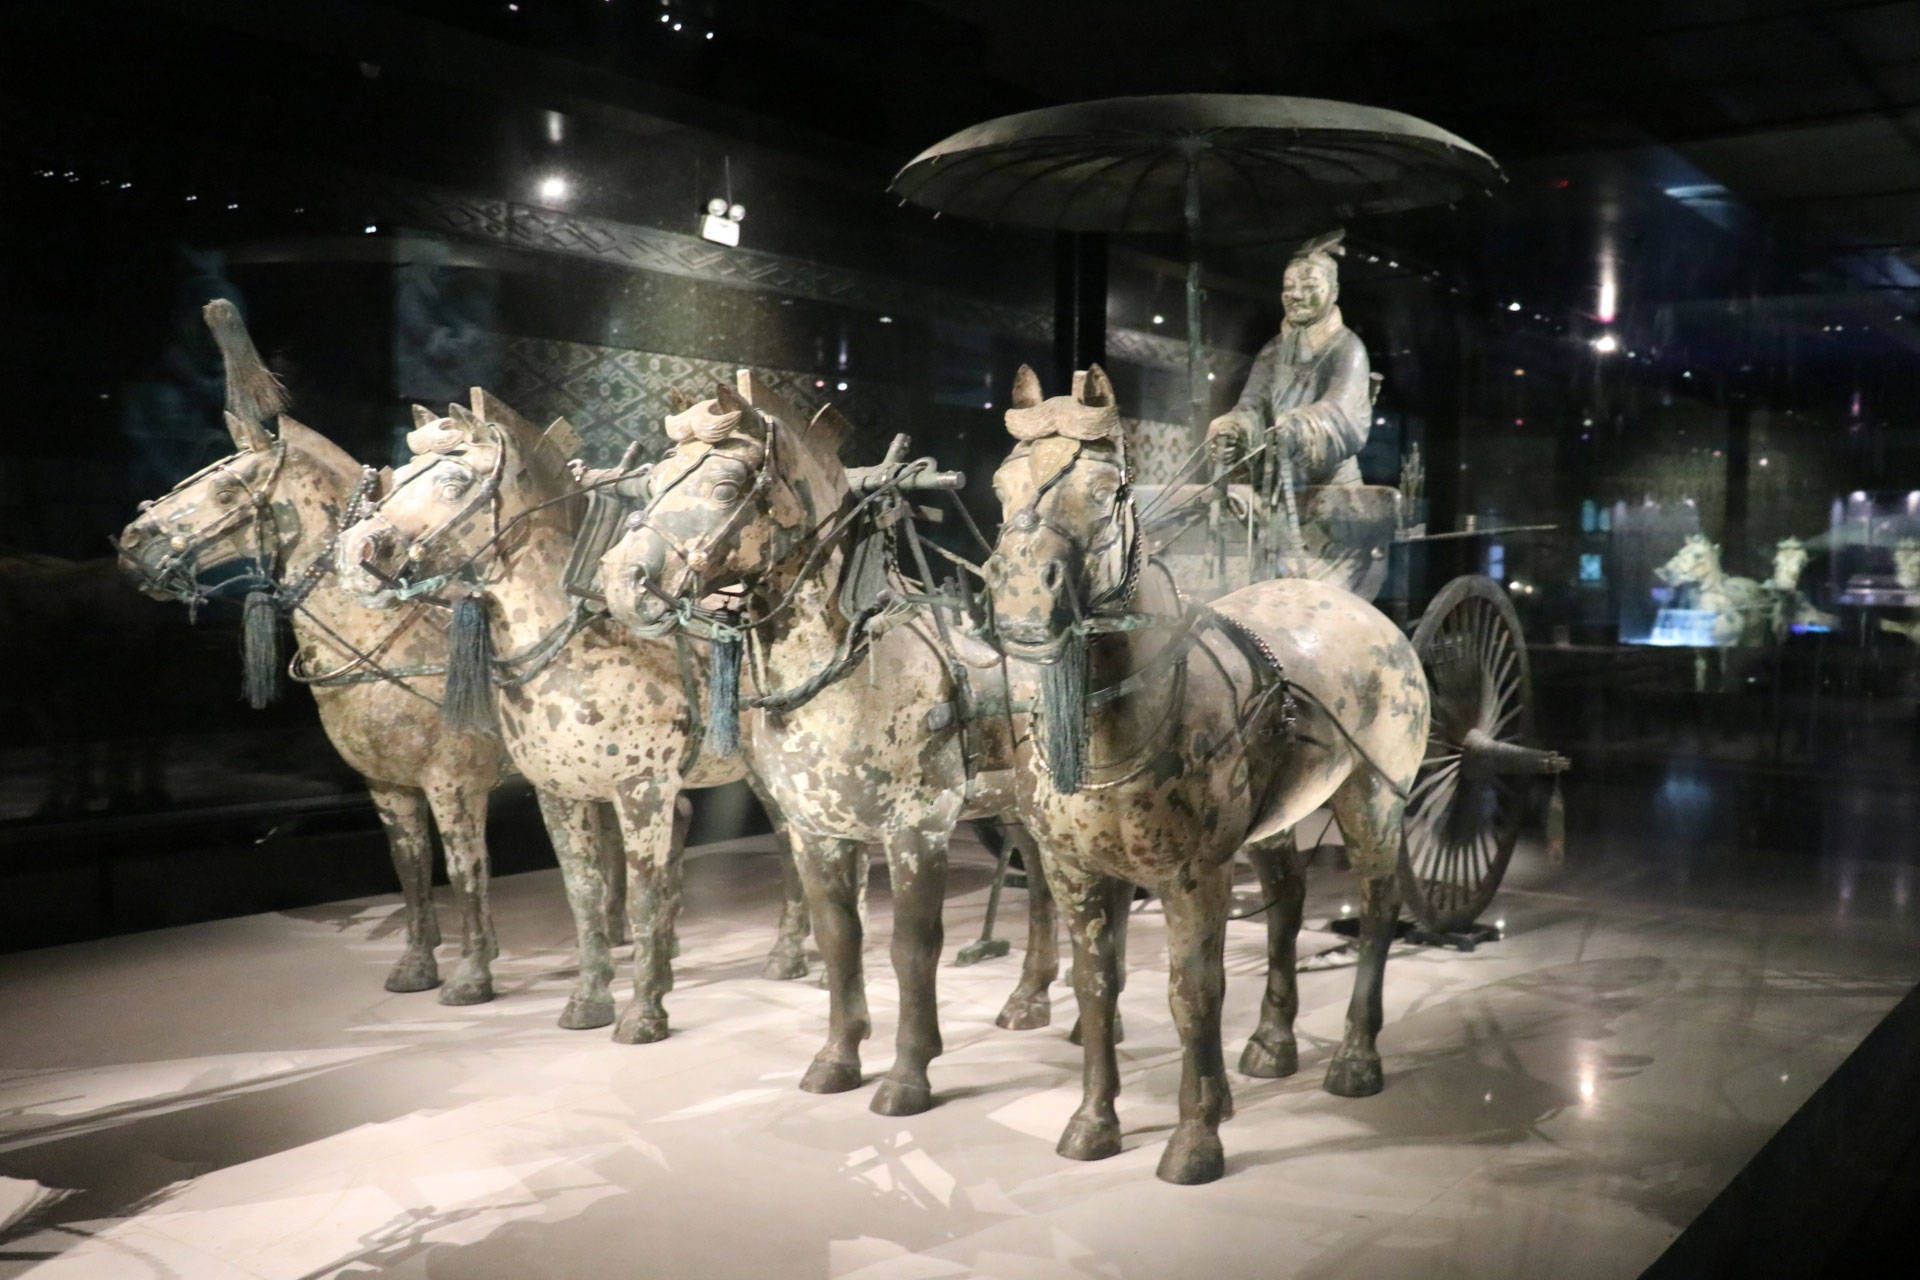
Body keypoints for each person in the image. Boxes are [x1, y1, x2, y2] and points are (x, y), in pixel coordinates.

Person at [1206, 228, 1373, 487]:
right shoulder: (1273, 350)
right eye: (1289, 287)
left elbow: (1343, 415)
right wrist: (1236, 429)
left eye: (1309, 286)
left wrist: (1300, 428)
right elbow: (1253, 406)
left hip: (1332, 486)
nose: (1295, 295)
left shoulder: (1348, 348)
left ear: (1334, 292)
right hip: (1278, 482)